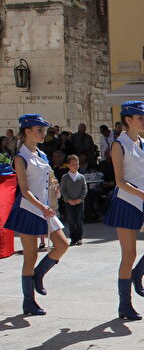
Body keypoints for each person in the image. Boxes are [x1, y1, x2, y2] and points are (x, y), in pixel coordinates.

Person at [104, 101, 144, 321]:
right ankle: (125, 305)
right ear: (128, 120)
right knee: (128, 254)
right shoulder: (118, 144)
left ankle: (138, 274)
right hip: (126, 201)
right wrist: (142, 195)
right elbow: (120, 181)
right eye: (140, 117)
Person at [5, 114, 69, 315]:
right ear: (26, 132)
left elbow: (49, 177)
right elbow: (24, 189)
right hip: (29, 209)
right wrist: (42, 207)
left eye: (43, 130)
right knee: (30, 256)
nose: (43, 133)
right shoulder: (20, 157)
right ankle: (28, 302)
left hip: (45, 208)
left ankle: (38, 275)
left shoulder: (42, 155)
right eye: (39, 130)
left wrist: (55, 187)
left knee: (62, 245)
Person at [60, 154, 87, 246]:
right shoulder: (65, 177)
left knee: (79, 220)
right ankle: (73, 238)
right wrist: (68, 199)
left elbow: (84, 189)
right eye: (73, 164)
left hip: (79, 202)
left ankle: (79, 237)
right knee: (71, 221)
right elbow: (63, 190)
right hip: (69, 202)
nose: (75, 166)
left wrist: (80, 199)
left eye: (77, 164)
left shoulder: (81, 177)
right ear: (68, 165)